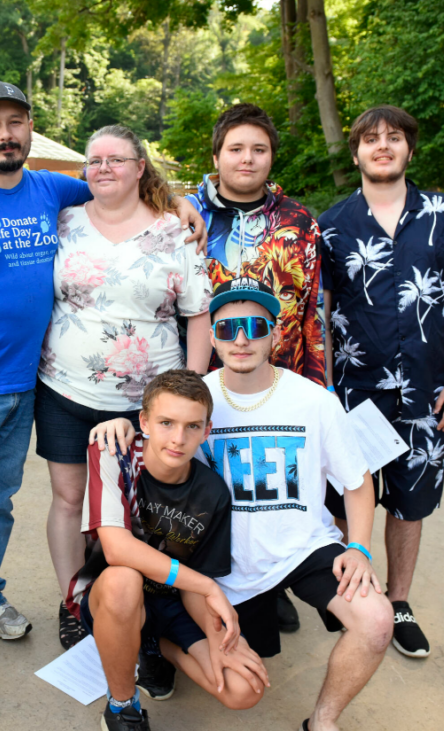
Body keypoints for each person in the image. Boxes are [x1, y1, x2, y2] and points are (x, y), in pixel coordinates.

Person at [0, 80, 207, 669]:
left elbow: (118, 185)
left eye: (16, 122)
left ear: (29, 130)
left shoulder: (52, 191)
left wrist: (178, 202)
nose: (5, 134)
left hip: (25, 386)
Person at [92, 278, 394, 731]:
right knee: (242, 686)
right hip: (220, 563)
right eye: (228, 327)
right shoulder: (199, 398)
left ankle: (324, 722)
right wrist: (119, 425)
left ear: (276, 334)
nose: (241, 338)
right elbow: (158, 432)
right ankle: (153, 643)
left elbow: (356, 482)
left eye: (255, 326)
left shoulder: (315, 401)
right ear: (211, 336)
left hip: (302, 547)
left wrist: (359, 546)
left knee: (376, 620)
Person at [319, 105, 444, 659]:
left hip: (428, 392)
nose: (383, 146)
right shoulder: (332, 225)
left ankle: (398, 602)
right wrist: (322, 389)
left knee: (411, 504)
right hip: (355, 392)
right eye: (371, 140)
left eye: (394, 138)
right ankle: (352, 596)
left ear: (409, 150)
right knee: (347, 496)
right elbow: (318, 313)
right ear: (356, 154)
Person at [37, 125, 214, 650]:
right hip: (65, 393)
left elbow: (199, 313)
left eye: (116, 159)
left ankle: (145, 611)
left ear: (141, 166)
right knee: (70, 501)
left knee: (141, 513)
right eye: (94, 161)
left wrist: (195, 391)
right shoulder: (63, 221)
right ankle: (75, 602)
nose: (104, 168)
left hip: (148, 404)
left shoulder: (174, 231)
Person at [186, 103, 329, 633]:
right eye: (236, 148)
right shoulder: (185, 214)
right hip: (206, 377)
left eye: (259, 149)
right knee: (210, 481)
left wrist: (317, 384)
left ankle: (275, 581)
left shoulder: (298, 221)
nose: (248, 159)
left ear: (272, 157)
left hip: (278, 378)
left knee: (270, 482)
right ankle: (211, 585)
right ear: (217, 155)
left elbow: (312, 308)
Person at [71, 369, 267, 731]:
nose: (178, 439)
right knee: (124, 579)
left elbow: (195, 582)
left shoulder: (213, 492)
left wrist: (218, 640)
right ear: (143, 421)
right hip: (111, 598)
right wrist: (209, 587)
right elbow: (116, 547)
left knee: (244, 689)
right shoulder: (114, 454)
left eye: (192, 427)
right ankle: (123, 706)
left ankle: (156, 648)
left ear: (206, 431)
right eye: (166, 423)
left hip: (173, 602)